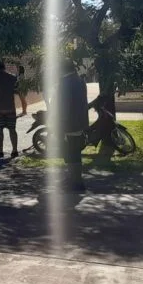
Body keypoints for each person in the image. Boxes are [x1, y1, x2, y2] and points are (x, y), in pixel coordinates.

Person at [52, 60, 89, 191]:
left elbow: (64, 107)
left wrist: (60, 126)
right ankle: (74, 179)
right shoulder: (80, 81)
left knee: (71, 154)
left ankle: (76, 182)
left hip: (68, 125)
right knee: (74, 153)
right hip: (79, 123)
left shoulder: (64, 83)